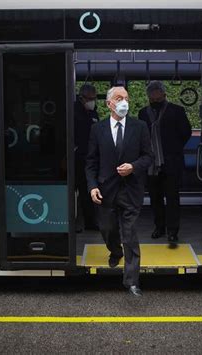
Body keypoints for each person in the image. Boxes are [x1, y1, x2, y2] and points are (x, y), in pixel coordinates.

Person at [86, 86, 152, 297]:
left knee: (130, 234)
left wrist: (133, 166)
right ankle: (115, 251)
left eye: (126, 98)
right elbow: (90, 161)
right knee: (107, 228)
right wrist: (92, 185)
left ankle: (132, 281)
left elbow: (148, 156)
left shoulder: (140, 126)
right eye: (119, 98)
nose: (124, 101)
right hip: (106, 190)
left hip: (131, 190)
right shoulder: (98, 129)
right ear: (109, 104)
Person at [138, 81, 192, 244]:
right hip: (151, 164)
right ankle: (159, 227)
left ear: (163, 94)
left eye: (157, 91)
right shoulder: (143, 113)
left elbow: (186, 132)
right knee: (155, 198)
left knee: (172, 198)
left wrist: (173, 149)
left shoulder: (177, 111)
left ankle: (173, 231)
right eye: (151, 92)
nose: (154, 94)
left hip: (171, 162)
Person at [74, 83, 100, 232]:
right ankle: (75, 223)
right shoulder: (73, 111)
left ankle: (90, 222)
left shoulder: (93, 113)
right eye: (90, 99)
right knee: (75, 192)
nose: (92, 101)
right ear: (82, 98)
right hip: (76, 157)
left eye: (94, 98)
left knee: (88, 190)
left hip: (90, 157)